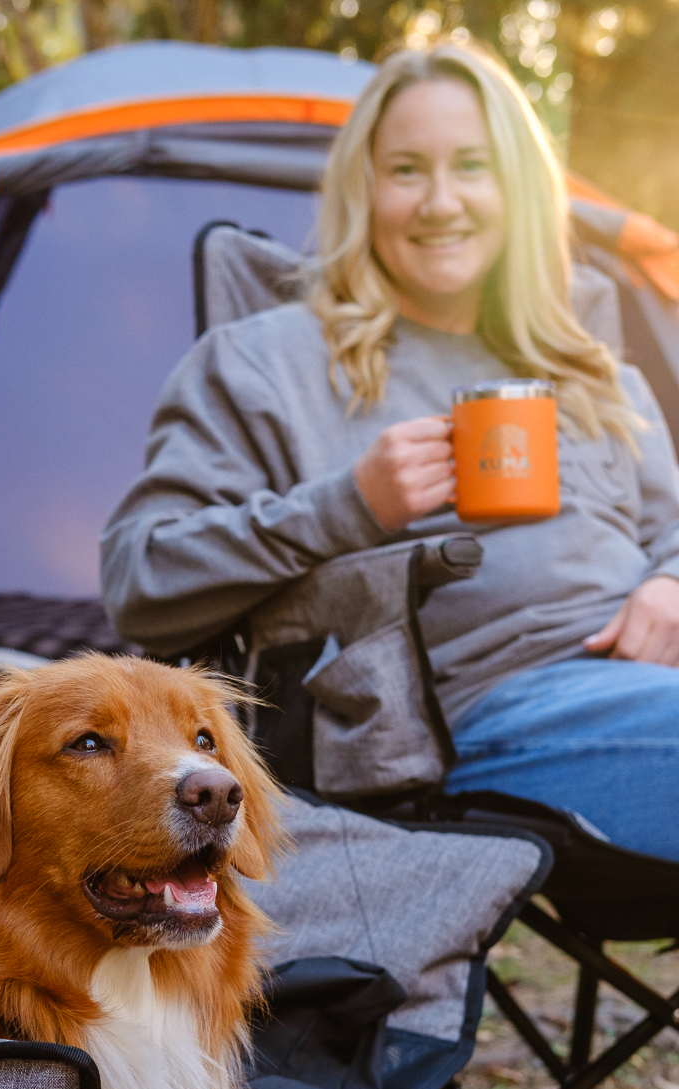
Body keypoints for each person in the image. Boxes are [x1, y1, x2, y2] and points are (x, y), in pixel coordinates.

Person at [99, 40, 679, 862]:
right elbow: (139, 579)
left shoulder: (590, 366)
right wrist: (348, 507)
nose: (442, 202)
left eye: (472, 167)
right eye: (408, 170)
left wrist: (669, 583)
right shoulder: (270, 363)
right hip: (474, 714)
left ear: (518, 190)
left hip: (648, 690)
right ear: (363, 190)